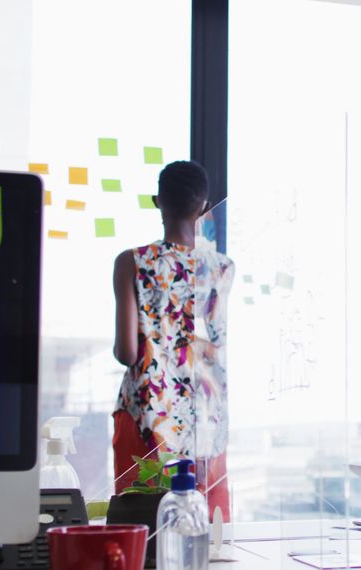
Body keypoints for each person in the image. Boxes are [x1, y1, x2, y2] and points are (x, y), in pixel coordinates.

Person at [112, 161, 235, 519]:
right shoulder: (222, 267)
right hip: (206, 417)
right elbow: (214, 341)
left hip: (148, 414)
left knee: (145, 525)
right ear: (204, 207)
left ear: (157, 201)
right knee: (204, 528)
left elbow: (127, 352)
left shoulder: (131, 262)